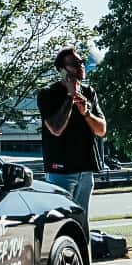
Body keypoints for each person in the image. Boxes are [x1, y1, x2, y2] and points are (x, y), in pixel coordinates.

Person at [37, 46, 107, 220]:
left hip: (85, 170)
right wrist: (70, 96)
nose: (81, 66)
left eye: (81, 62)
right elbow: (56, 129)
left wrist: (86, 113)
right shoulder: (48, 94)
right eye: (74, 64)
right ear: (62, 69)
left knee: (82, 221)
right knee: (62, 221)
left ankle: (84, 248)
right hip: (61, 171)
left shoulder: (89, 93)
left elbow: (101, 130)